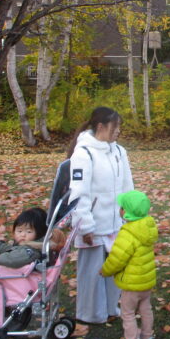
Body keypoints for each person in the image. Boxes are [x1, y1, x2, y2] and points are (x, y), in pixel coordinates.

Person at [68, 107, 134, 325]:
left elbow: (127, 185)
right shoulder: (83, 153)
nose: (118, 131)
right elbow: (79, 193)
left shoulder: (119, 151)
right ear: (101, 127)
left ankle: (109, 307)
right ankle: (90, 313)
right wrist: (85, 226)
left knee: (114, 267)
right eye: (115, 127)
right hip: (94, 224)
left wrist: (130, 213)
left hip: (116, 222)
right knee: (92, 273)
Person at [100, 191, 158, 339]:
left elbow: (117, 258)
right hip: (146, 280)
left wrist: (105, 270)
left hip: (131, 284)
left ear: (126, 212)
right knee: (146, 309)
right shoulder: (147, 228)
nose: (120, 210)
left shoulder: (127, 233)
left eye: (122, 207)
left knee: (128, 312)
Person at [0, 208, 65, 269]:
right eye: (19, 231)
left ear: (39, 233)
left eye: (29, 232)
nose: (23, 235)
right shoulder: (25, 244)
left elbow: (14, 259)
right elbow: (13, 249)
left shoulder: (31, 251)